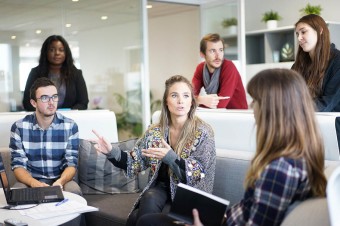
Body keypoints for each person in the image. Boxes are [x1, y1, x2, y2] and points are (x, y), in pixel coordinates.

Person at [139, 69, 327, 226]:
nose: (252, 106)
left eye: (256, 100)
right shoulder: (297, 157)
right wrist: (223, 216)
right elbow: (250, 210)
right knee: (144, 218)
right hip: (225, 219)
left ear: (273, 109)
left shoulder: (280, 169)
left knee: (146, 222)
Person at [92, 75, 216, 226]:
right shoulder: (155, 131)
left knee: (135, 219)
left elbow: (198, 173)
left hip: (190, 193)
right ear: (166, 101)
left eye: (186, 96)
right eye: (174, 95)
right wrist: (111, 151)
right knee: (149, 196)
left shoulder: (203, 133)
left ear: (191, 101)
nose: (180, 101)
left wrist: (170, 157)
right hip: (161, 188)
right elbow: (134, 161)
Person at [10, 77, 82, 195]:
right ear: (33, 103)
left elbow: (71, 163)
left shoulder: (70, 126)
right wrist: (34, 183)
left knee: (74, 191)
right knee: (16, 192)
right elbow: (18, 166)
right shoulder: (19, 127)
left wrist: (60, 182)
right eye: (44, 98)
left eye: (54, 96)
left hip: (61, 181)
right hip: (30, 182)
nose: (51, 102)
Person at [292, 13, 340, 152]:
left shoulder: (337, 61)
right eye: (297, 34)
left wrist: (291, 111)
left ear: (320, 31)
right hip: (306, 129)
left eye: (303, 32)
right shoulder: (299, 65)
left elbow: (326, 103)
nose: (299, 38)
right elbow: (288, 94)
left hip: (333, 132)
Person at [22, 35, 89, 111]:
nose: (57, 53)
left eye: (61, 50)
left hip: (69, 119)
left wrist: (67, 114)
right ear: (45, 52)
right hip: (42, 119)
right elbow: (27, 103)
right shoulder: (35, 73)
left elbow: (83, 102)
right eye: (52, 50)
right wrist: (46, 112)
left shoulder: (76, 74)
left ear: (66, 53)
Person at [192, 33, 247, 109]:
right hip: (216, 115)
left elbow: (221, 104)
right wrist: (201, 99)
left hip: (237, 115)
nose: (218, 56)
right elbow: (189, 97)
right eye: (212, 51)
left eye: (221, 50)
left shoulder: (229, 67)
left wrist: (198, 100)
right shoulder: (200, 68)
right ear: (202, 54)